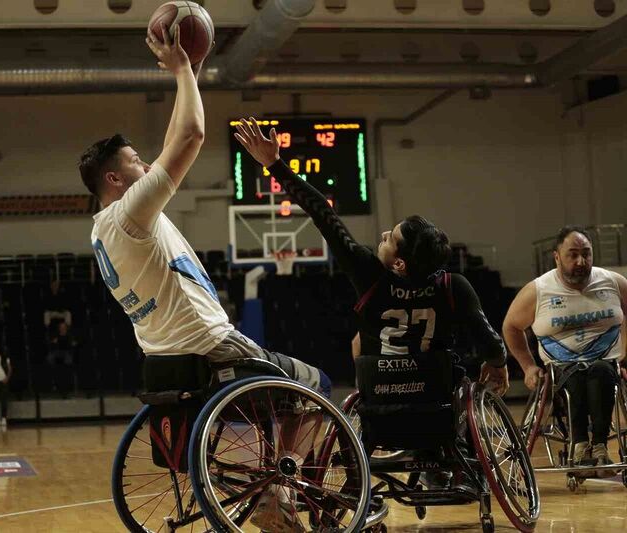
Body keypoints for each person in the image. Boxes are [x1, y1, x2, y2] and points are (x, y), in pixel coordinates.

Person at [80, 30, 328, 532]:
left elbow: (174, 138)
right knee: (316, 386)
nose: (146, 165)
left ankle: (265, 483)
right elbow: (191, 137)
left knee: (281, 388)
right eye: (134, 162)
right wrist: (184, 70)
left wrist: (184, 77)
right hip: (211, 346)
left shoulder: (103, 229)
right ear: (114, 179)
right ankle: (276, 490)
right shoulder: (130, 211)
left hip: (165, 359)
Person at [234, 117, 508, 493]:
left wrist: (275, 166)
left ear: (399, 263)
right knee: (455, 382)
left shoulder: (370, 275)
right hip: (436, 402)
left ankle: (354, 485)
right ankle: (446, 461)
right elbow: (488, 341)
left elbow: (322, 213)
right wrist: (499, 364)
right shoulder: (454, 286)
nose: (382, 235)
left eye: (390, 238)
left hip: (379, 398)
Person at [503, 225, 627, 473]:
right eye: (573, 254)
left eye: (587, 253)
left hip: (607, 365)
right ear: (557, 256)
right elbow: (511, 327)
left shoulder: (613, 282)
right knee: (577, 376)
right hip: (560, 369)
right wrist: (528, 367)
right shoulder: (539, 290)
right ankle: (579, 443)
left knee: (600, 371)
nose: (581, 261)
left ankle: (600, 446)